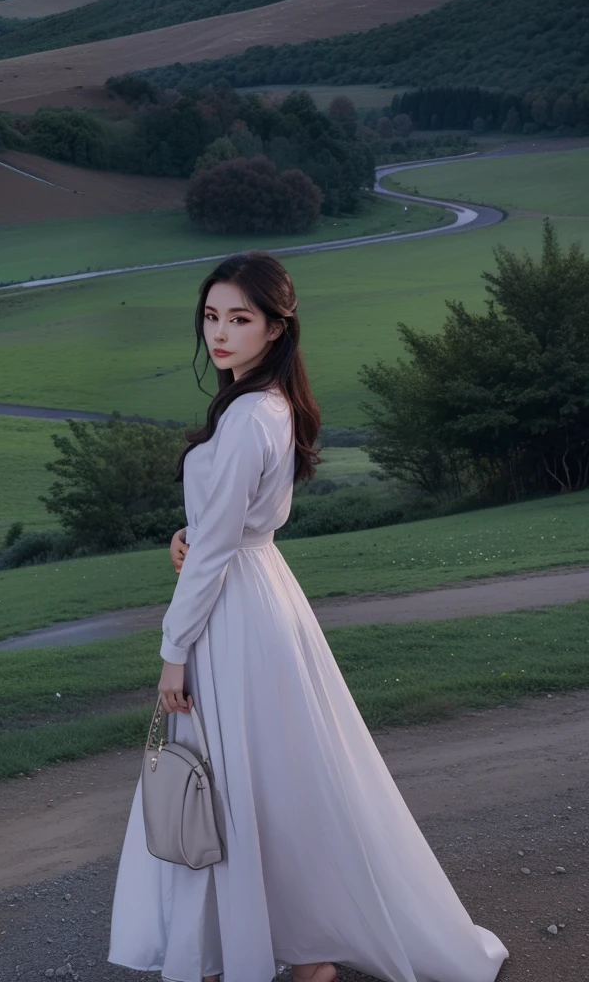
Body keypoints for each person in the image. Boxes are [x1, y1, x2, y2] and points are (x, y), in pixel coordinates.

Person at [108, 251, 507, 982]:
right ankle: (298, 949)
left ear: (274, 328)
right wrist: (193, 534)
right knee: (273, 778)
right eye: (211, 316)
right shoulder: (266, 408)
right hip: (259, 594)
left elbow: (227, 536)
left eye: (240, 319)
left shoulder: (249, 416)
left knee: (240, 780)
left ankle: (282, 950)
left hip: (237, 611)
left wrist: (173, 648)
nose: (220, 334)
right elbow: (233, 525)